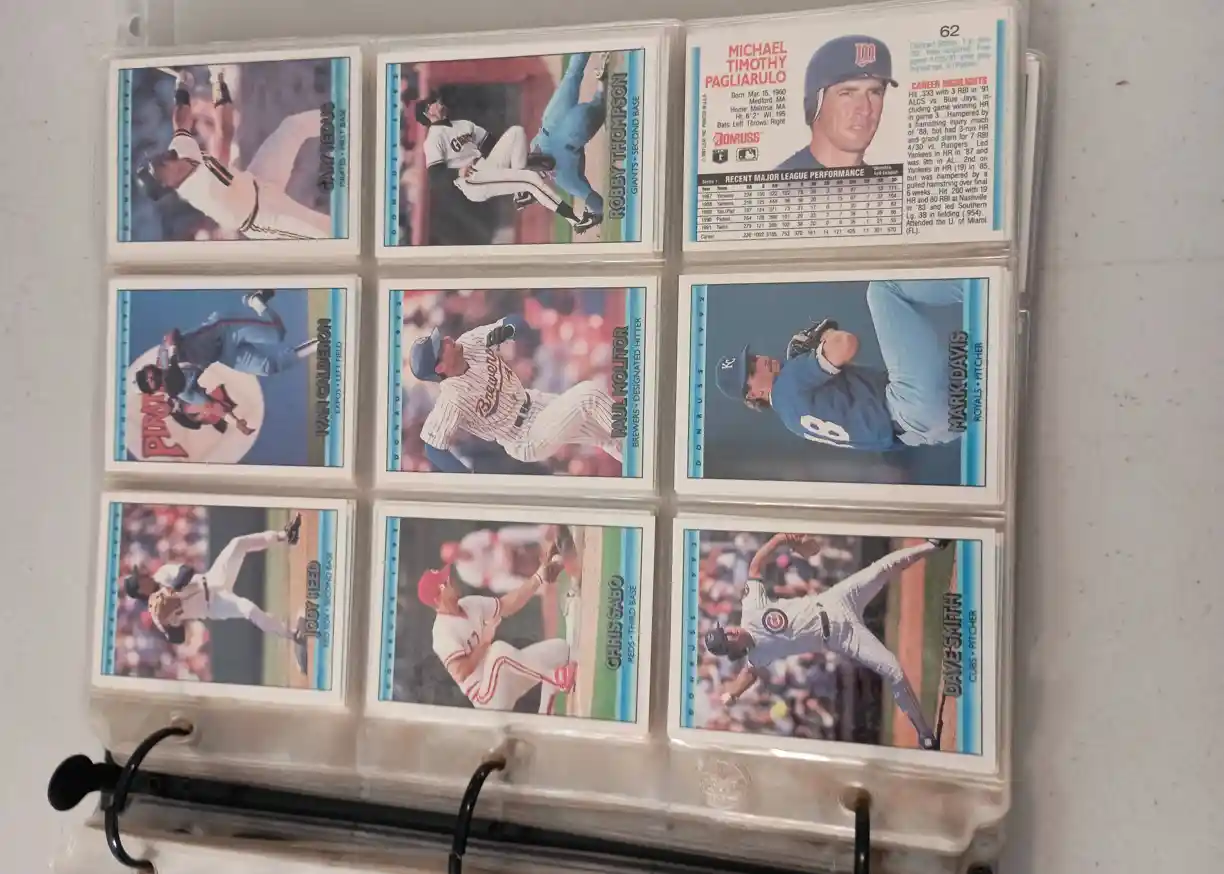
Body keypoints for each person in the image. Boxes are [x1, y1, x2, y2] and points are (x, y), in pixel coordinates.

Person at [704, 532, 949, 750]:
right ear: (731, 648)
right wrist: (733, 694)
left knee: (882, 567)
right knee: (894, 671)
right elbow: (748, 674)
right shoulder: (758, 655)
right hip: (841, 637)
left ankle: (932, 545)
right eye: (726, 639)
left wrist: (778, 540)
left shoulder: (751, 609)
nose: (729, 632)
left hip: (835, 600)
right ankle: (925, 734)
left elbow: (755, 567)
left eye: (724, 631)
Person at [715, 279, 967, 450]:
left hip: (928, 433)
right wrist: (824, 336)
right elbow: (846, 344)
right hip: (910, 404)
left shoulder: (792, 421)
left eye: (753, 358)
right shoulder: (787, 383)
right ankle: (977, 281)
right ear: (753, 394)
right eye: (751, 370)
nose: (759, 362)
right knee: (882, 290)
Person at [137, 68, 333, 239]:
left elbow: (181, 123)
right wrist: (218, 81)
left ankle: (343, 120)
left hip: (257, 180)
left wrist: (182, 87)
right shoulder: (202, 188)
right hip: (264, 216)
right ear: (167, 184)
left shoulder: (177, 155)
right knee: (326, 230)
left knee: (293, 126)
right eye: (158, 166)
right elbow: (225, 132)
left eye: (154, 159)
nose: (159, 158)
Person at [408, 317, 623, 473]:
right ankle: (635, 439)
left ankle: (639, 459)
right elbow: (433, 448)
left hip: (536, 403)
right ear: (440, 368)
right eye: (440, 346)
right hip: (524, 436)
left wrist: (508, 329)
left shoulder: (470, 342)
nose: (446, 339)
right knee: (590, 395)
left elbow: (517, 323)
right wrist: (466, 478)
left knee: (605, 434)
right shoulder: (451, 399)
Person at [123, 514, 309, 672]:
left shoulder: (162, 574)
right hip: (213, 605)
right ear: (140, 589)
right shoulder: (156, 612)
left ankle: (286, 535)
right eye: (140, 578)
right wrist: (167, 626)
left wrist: (173, 590)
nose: (143, 574)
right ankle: (293, 635)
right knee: (249, 609)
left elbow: (187, 571)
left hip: (213, 578)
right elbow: (179, 638)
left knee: (237, 544)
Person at [420, 543, 578, 714]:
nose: (451, 582)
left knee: (560, 650)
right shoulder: (442, 632)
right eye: (445, 584)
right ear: (438, 600)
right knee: (498, 651)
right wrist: (484, 643)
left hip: (505, 677)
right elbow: (460, 672)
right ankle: (555, 678)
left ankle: (545, 712)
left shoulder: (468, 604)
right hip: (487, 697)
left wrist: (539, 576)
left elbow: (507, 605)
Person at [416, 93, 598, 233]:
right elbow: (435, 176)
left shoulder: (462, 124)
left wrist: (516, 159)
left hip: (485, 165)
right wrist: (457, 172)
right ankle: (576, 220)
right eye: (432, 103)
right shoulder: (433, 139)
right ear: (427, 113)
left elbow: (490, 145)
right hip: (471, 180)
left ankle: (521, 193)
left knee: (516, 132)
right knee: (530, 179)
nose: (437, 102)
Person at [775, 36, 897, 171]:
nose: (865, 109)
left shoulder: (883, 181)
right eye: (847, 93)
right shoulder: (782, 179)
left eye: (875, 92)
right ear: (815, 105)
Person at [525, 52, 610, 230]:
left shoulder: (562, 177)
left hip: (579, 126)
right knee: (573, 72)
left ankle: (602, 84)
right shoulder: (534, 145)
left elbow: (597, 203)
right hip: (552, 117)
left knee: (601, 108)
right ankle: (588, 44)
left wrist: (594, 217)